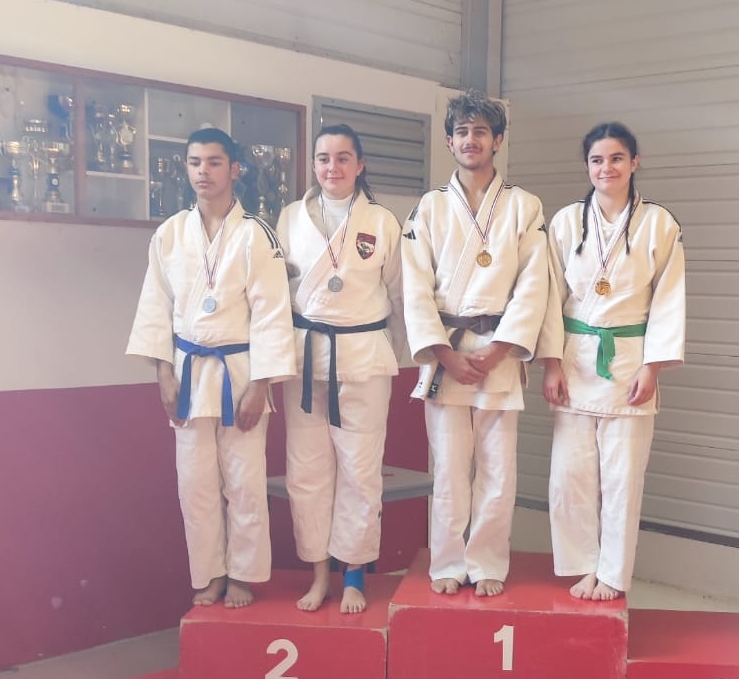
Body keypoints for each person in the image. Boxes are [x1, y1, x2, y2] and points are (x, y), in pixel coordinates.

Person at [127, 126, 295, 608]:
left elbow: (271, 313)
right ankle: (210, 572)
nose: (203, 171)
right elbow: (156, 306)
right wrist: (163, 371)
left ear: (234, 169)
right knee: (195, 483)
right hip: (187, 372)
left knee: (244, 482)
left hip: (240, 371)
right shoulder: (170, 234)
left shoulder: (256, 234)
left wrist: (261, 386)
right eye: (195, 162)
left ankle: (243, 573)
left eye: (214, 162)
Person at [402, 90, 549, 596]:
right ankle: (447, 562)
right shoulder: (429, 208)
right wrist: (444, 353)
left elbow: (534, 284)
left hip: (498, 353)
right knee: (448, 467)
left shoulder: (524, 207)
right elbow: (414, 286)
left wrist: (501, 348)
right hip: (446, 352)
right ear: (449, 141)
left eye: (481, 131)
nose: (471, 140)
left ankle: (487, 562)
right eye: (462, 131)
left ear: (498, 140)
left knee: (497, 469)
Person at [538, 123, 685, 601]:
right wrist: (551, 363)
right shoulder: (565, 223)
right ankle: (583, 564)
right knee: (570, 477)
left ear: (635, 162)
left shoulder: (659, 224)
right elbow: (549, 296)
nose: (607, 168)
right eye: (597, 160)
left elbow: (668, 298)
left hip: (629, 363)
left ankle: (613, 574)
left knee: (622, 479)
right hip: (576, 360)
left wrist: (653, 367)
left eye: (617, 158)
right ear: (587, 166)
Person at [276, 124, 405, 615]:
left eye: (343, 158)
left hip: (363, 358)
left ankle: (353, 573)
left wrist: (392, 350)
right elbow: (275, 293)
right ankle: (318, 574)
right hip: (305, 356)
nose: (333, 167)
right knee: (306, 470)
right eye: (324, 158)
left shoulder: (382, 222)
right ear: (313, 164)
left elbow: (399, 295)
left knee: (360, 469)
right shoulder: (290, 218)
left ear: (360, 165)